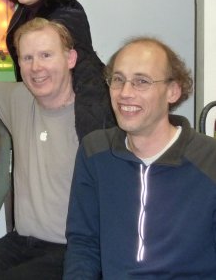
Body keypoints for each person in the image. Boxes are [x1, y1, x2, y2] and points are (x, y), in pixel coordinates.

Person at [0, 18, 110, 280]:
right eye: (27, 58)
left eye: (46, 55)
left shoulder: (94, 118)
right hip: (21, 242)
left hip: (72, 250)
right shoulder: (20, 97)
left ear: (70, 58)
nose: (36, 67)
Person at [64, 37, 216, 279]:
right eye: (118, 80)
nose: (125, 93)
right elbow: (84, 243)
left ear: (173, 91)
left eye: (141, 81)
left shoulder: (209, 159)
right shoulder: (95, 152)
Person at [3, 0, 114, 133]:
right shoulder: (27, 8)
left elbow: (82, 76)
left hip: (75, 112)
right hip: (46, 104)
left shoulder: (66, 14)